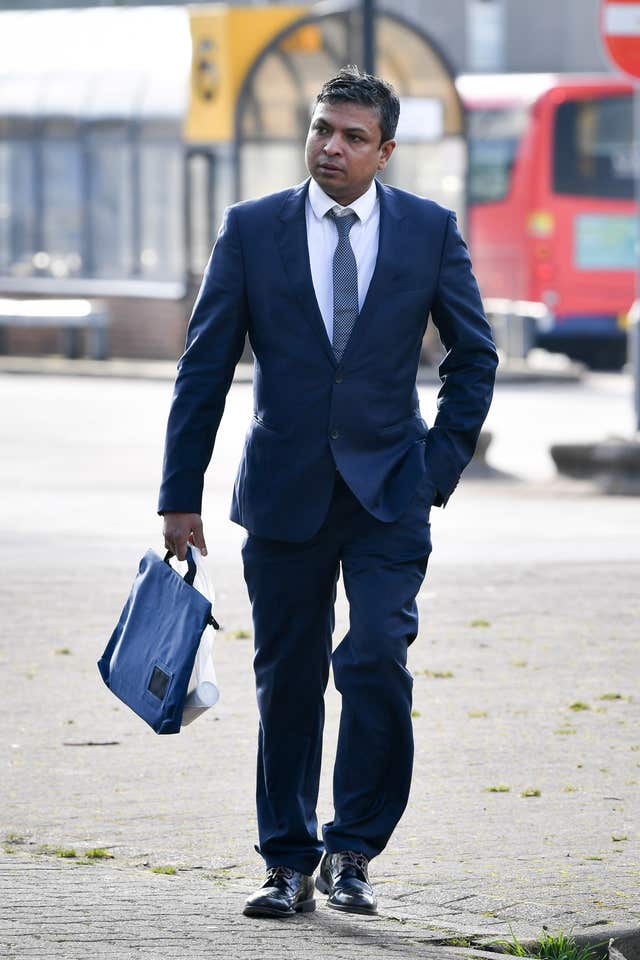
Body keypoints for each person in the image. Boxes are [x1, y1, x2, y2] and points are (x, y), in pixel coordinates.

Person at [159, 65, 498, 919]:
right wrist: (179, 496)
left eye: (351, 137)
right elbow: (202, 369)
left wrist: (436, 469)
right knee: (289, 679)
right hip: (285, 492)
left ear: (384, 150)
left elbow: (474, 356)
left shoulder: (427, 231)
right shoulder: (251, 229)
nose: (331, 147)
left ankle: (353, 849)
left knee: (377, 658)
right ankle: (286, 861)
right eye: (321, 130)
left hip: (391, 492)